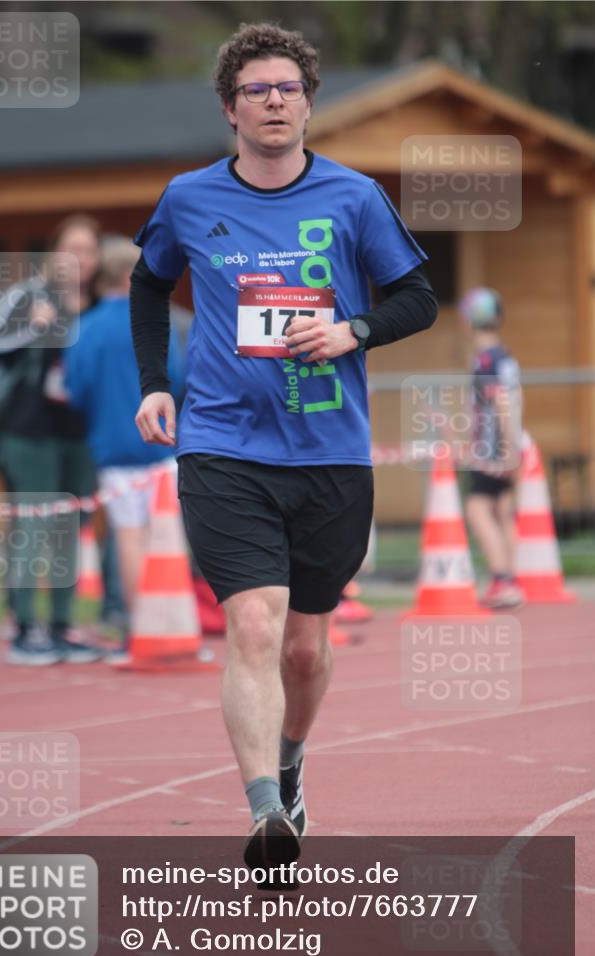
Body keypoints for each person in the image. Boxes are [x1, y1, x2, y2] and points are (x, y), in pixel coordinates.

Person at [130, 22, 437, 867]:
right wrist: (156, 382)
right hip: (223, 445)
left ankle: (292, 769)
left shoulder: (354, 197)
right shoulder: (189, 198)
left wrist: (352, 330)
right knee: (253, 628)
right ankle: (263, 808)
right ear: (230, 108)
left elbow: (418, 299)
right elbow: (149, 280)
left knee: (304, 647)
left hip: (330, 452)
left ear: (308, 102)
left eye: (287, 88)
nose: (274, 101)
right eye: (256, 90)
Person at [0, 215, 104, 665]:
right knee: (34, 528)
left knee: (70, 532)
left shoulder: (102, 303)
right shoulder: (28, 295)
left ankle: (62, 627)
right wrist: (30, 326)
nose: (81, 259)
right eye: (73, 249)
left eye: (89, 250)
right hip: (27, 431)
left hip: (81, 433)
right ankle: (24, 627)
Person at [64, 237, 185, 664]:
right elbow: (176, 378)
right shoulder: (158, 322)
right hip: (162, 442)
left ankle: (140, 626)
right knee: (168, 534)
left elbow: (74, 391)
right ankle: (175, 624)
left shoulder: (86, 328)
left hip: (112, 446)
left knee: (129, 536)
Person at [461, 287, 524, 609]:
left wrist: (507, 448)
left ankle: (502, 579)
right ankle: (510, 579)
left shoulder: (486, 360)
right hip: (505, 441)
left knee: (478, 508)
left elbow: (500, 402)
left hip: (493, 446)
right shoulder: (504, 355)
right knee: (503, 509)